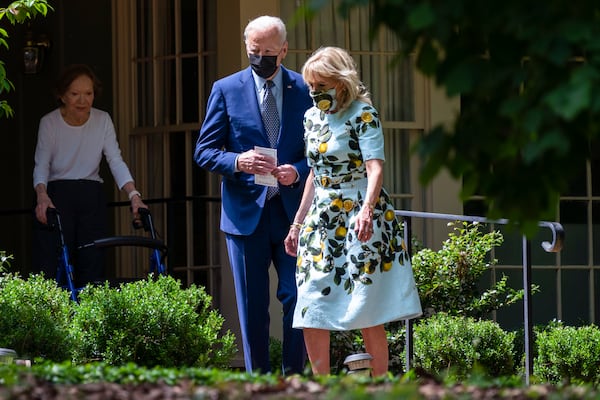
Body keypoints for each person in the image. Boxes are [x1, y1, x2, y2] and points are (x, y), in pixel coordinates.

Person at [284, 46, 423, 377]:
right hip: (322, 219)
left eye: (321, 85)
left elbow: (375, 168)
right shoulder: (311, 118)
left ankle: (379, 387)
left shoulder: (363, 114)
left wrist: (367, 210)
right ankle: (323, 387)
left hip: (361, 215)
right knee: (311, 302)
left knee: (365, 304)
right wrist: (297, 223)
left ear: (341, 83)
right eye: (311, 86)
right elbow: (315, 175)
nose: (315, 92)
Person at [194, 16, 312, 374]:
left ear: (284, 50)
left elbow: (322, 152)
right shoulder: (226, 89)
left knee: (297, 298)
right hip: (246, 214)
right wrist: (237, 160)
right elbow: (204, 151)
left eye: (268, 52)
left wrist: (299, 170)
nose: (260, 57)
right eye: (254, 51)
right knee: (252, 306)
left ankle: (293, 378)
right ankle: (258, 382)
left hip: (293, 214)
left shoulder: (305, 90)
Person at [33, 63, 147, 289]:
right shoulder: (49, 122)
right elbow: (41, 164)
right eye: (75, 94)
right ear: (62, 96)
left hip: (90, 195)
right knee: (55, 262)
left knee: (92, 261)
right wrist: (42, 196)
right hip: (57, 195)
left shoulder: (102, 119)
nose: (82, 100)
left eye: (88, 93)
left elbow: (115, 160)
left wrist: (134, 194)